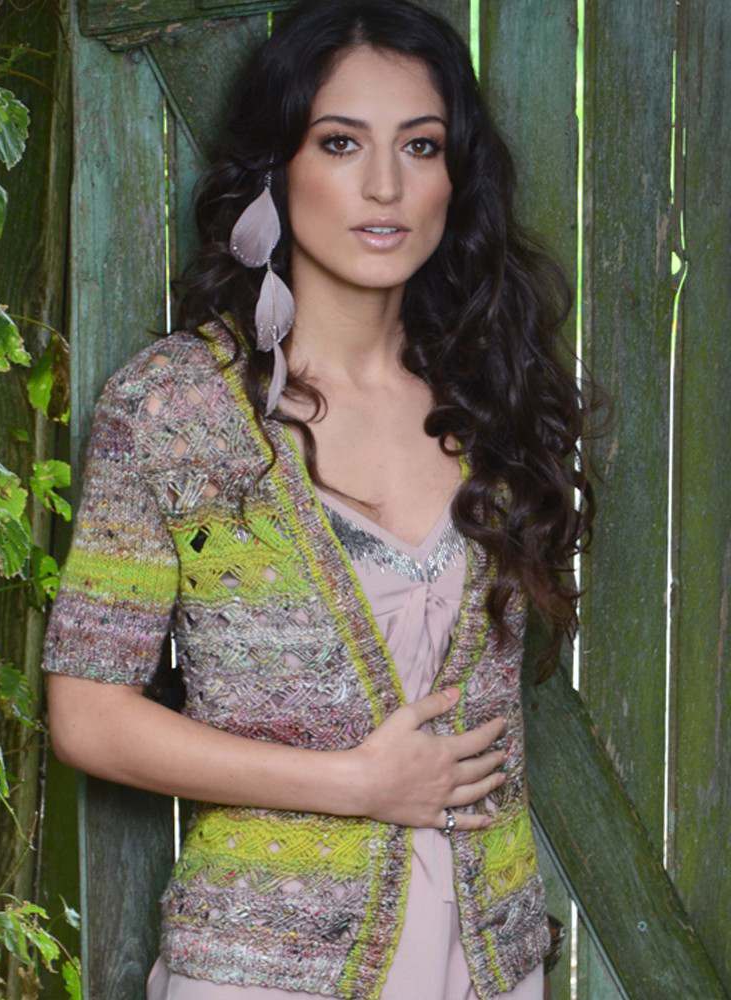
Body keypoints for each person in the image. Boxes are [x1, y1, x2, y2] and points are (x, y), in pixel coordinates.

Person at [42, 1, 597, 997]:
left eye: (419, 146)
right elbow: (87, 714)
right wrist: (353, 784)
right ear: (276, 169)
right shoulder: (175, 407)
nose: (385, 186)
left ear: (454, 176)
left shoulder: (496, 395)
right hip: (264, 968)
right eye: (341, 143)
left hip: (486, 960)